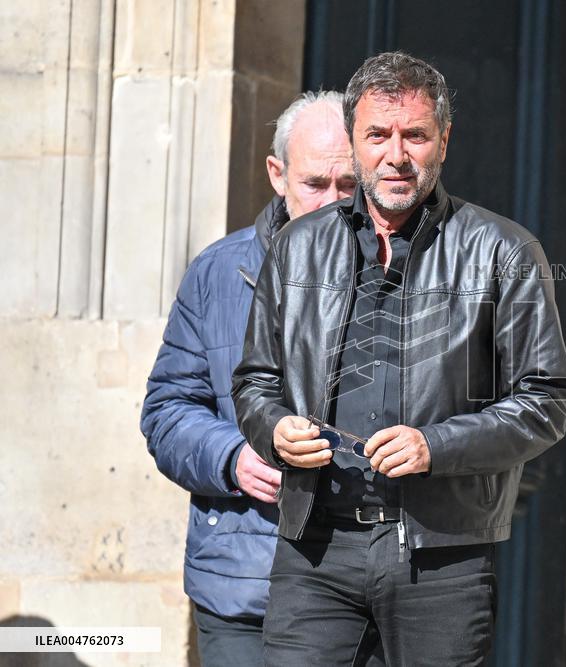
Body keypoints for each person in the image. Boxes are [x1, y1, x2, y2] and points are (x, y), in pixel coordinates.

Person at [231, 51, 566, 666]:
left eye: (415, 134)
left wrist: (434, 446)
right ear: (353, 141)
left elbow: (546, 400)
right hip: (315, 552)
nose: (396, 155)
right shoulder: (296, 247)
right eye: (377, 136)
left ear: (444, 139)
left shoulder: (504, 251)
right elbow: (255, 381)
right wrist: (274, 429)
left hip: (442, 557)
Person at [140, 90, 356, 666]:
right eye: (315, 184)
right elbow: (167, 411)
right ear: (277, 175)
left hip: (361, 588)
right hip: (243, 587)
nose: (333, 202)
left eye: (349, 185)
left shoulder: (409, 272)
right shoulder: (217, 271)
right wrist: (232, 458)